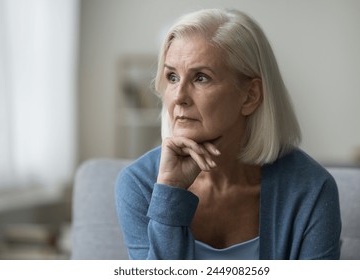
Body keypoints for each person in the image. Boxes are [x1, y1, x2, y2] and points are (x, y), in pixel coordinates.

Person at [116, 8, 341, 260]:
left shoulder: (311, 189)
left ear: (250, 95)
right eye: (172, 77)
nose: (178, 96)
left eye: (201, 78)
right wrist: (170, 191)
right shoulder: (139, 185)